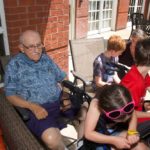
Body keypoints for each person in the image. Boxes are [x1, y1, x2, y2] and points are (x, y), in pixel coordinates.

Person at [4, 30, 86, 150]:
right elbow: (10, 95)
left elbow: (62, 77)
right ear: (21, 48)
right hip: (38, 108)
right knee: (52, 139)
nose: (37, 50)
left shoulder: (46, 59)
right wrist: (32, 106)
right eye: (31, 46)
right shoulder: (14, 65)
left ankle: (81, 145)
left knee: (86, 112)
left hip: (59, 102)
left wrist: (65, 95)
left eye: (39, 45)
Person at [84, 84, 148, 150]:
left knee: (141, 147)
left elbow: (133, 113)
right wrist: (114, 140)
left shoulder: (123, 99)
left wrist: (132, 131)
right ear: (103, 110)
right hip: (99, 135)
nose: (124, 120)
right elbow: (88, 134)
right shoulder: (96, 105)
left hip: (115, 130)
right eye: (120, 119)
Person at [120, 38, 150, 147]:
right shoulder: (134, 83)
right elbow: (130, 113)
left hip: (137, 112)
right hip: (129, 122)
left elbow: (148, 86)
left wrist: (144, 104)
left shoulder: (141, 72)